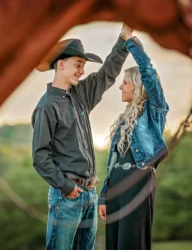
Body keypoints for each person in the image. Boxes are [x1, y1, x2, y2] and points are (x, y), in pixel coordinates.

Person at [31, 27, 129, 250]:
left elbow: (107, 73)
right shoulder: (46, 107)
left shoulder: (81, 95)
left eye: (83, 67)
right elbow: (40, 157)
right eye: (78, 64)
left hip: (90, 194)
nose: (82, 71)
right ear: (61, 64)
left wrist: (123, 39)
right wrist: (66, 187)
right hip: (67, 196)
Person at [98, 25, 169, 250]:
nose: (120, 87)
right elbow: (113, 160)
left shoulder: (154, 111)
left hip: (138, 183)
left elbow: (148, 70)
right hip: (117, 186)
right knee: (113, 244)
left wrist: (129, 40)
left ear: (138, 87)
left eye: (125, 83)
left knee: (131, 243)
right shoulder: (122, 120)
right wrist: (104, 195)